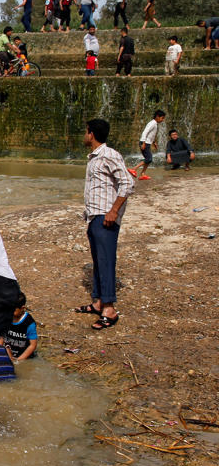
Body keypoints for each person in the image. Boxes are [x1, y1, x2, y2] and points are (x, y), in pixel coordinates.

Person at [78, 118, 135, 330]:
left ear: (91, 134)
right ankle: (99, 301)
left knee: (106, 260)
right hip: (95, 215)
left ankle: (109, 309)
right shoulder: (94, 158)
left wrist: (113, 211)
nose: (84, 135)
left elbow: (128, 184)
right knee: (98, 260)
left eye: (86, 132)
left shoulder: (109, 155)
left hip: (105, 216)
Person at [130, 110, 165, 180]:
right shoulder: (152, 123)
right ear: (157, 117)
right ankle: (134, 169)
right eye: (162, 118)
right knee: (149, 159)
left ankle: (142, 174)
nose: (162, 120)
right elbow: (145, 132)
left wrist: (154, 142)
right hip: (145, 143)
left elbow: (151, 134)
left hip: (147, 143)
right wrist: (143, 142)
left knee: (148, 159)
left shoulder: (154, 123)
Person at [5, 292, 37, 360]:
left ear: (22, 308)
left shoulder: (29, 323)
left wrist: (18, 360)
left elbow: (32, 345)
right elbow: (1, 337)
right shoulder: (6, 318)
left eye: (13, 310)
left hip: (24, 356)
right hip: (9, 353)